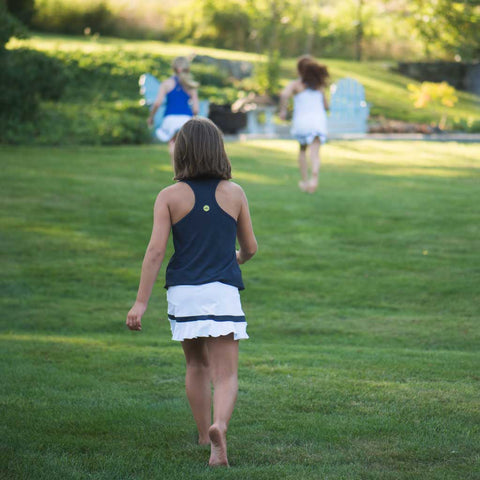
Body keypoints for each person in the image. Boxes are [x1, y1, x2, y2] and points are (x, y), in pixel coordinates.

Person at [126, 118, 258, 467]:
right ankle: (220, 425)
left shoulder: (169, 196)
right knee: (226, 373)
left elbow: (155, 251)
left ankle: (203, 435)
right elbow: (250, 247)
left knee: (196, 364)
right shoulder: (235, 193)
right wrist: (238, 258)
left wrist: (141, 302)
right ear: (219, 149)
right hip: (222, 291)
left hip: (184, 293)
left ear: (180, 152)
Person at [279, 57, 329, 193]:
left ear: (299, 70)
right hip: (318, 120)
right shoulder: (319, 86)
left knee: (302, 150)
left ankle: (305, 181)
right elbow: (326, 105)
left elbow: (284, 95)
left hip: (302, 121)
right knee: (315, 152)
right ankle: (314, 178)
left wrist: (283, 111)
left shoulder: (296, 85)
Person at [148, 56, 199, 162]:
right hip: (186, 119)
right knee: (186, 148)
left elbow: (157, 103)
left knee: (173, 144)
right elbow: (195, 109)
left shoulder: (166, 83)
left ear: (173, 68)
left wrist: (151, 117)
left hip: (170, 119)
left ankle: (177, 174)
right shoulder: (191, 85)